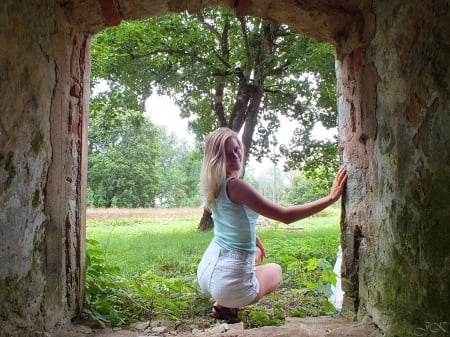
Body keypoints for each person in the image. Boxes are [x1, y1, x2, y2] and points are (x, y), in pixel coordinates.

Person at [196, 127, 347, 321]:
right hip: (227, 285)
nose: (235, 156)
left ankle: (224, 301)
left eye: (236, 149)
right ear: (217, 159)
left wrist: (253, 237)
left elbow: (227, 219)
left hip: (206, 272)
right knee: (275, 270)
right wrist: (330, 198)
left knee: (257, 253)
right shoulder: (236, 185)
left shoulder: (214, 185)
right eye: (227, 153)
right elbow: (286, 216)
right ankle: (227, 301)